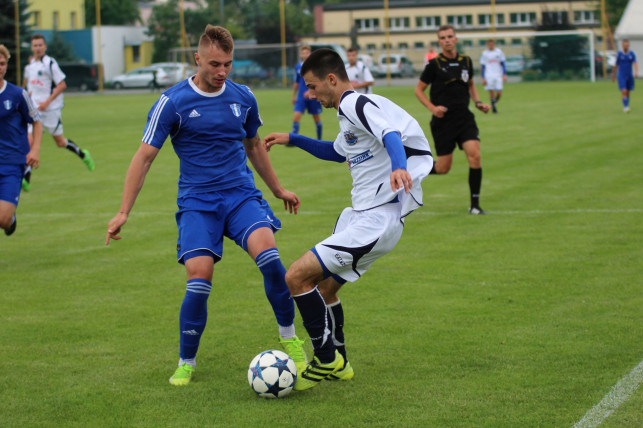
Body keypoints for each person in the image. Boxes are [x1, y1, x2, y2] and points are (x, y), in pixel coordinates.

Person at [105, 25, 307, 386]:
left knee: (272, 261)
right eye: (214, 64)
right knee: (199, 278)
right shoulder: (173, 102)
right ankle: (187, 361)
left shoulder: (243, 97)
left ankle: (290, 338)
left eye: (228, 64)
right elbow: (144, 157)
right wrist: (123, 211)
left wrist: (277, 189)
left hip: (240, 195)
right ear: (197, 59)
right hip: (198, 202)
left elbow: (254, 145)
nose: (222, 72)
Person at [264, 48, 433, 391]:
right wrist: (292, 139)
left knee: (295, 276)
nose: (310, 95)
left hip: (376, 220)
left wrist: (399, 166)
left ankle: (326, 360)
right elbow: (336, 152)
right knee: (324, 289)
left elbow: (390, 135)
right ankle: (340, 363)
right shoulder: (348, 114)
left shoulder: (354, 103)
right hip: (361, 218)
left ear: (331, 79)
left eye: (312, 87)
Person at [414, 24, 490, 215]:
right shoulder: (434, 65)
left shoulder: (466, 61)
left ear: (455, 39)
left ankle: (475, 205)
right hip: (443, 122)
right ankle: (411, 169)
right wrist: (433, 108)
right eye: (443, 38)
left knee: (475, 155)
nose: (447, 40)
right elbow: (418, 90)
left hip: (464, 117)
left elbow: (471, 84)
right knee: (442, 168)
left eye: (450, 36)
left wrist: (478, 102)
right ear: (439, 42)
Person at [23, 34, 94, 192]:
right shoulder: (29, 66)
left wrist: (47, 101)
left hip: (51, 109)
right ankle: (26, 177)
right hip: (34, 110)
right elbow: (28, 86)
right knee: (29, 141)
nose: (38, 48)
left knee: (60, 142)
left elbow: (62, 85)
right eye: (35, 45)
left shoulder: (50, 63)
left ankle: (83, 154)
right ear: (32, 47)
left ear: (45, 46)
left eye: (40, 45)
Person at [0, 44, 42, 236]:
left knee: (3, 220)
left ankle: (11, 219)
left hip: (12, 164)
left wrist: (34, 150)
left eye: (1, 63)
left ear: (6, 66)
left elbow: (37, 122)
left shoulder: (18, 95)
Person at [291, 45, 323, 139]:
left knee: (316, 118)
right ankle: (294, 139)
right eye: (303, 53)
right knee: (296, 117)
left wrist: (311, 91)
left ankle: (319, 139)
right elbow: (296, 82)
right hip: (301, 96)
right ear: (301, 55)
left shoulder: (315, 67)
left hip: (313, 95)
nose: (305, 55)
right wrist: (293, 95)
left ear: (310, 54)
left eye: (307, 53)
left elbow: (318, 80)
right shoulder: (298, 67)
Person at [479, 39, 507, 113]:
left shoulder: (499, 52)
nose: (491, 45)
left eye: (492, 43)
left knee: (499, 93)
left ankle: (494, 103)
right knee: (491, 91)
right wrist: (483, 78)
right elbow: (483, 66)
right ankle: (494, 108)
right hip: (489, 74)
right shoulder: (484, 53)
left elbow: (503, 63)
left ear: (494, 44)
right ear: (487, 44)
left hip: (498, 74)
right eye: (489, 43)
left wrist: (504, 74)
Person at [612, 39, 638, 113]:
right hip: (621, 75)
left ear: (628, 45)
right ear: (622, 46)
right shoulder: (619, 54)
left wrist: (636, 71)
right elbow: (616, 64)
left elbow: (635, 63)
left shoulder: (632, 54)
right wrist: (613, 74)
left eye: (627, 45)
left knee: (628, 92)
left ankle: (627, 105)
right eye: (624, 45)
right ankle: (625, 107)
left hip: (629, 75)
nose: (626, 46)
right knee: (624, 91)